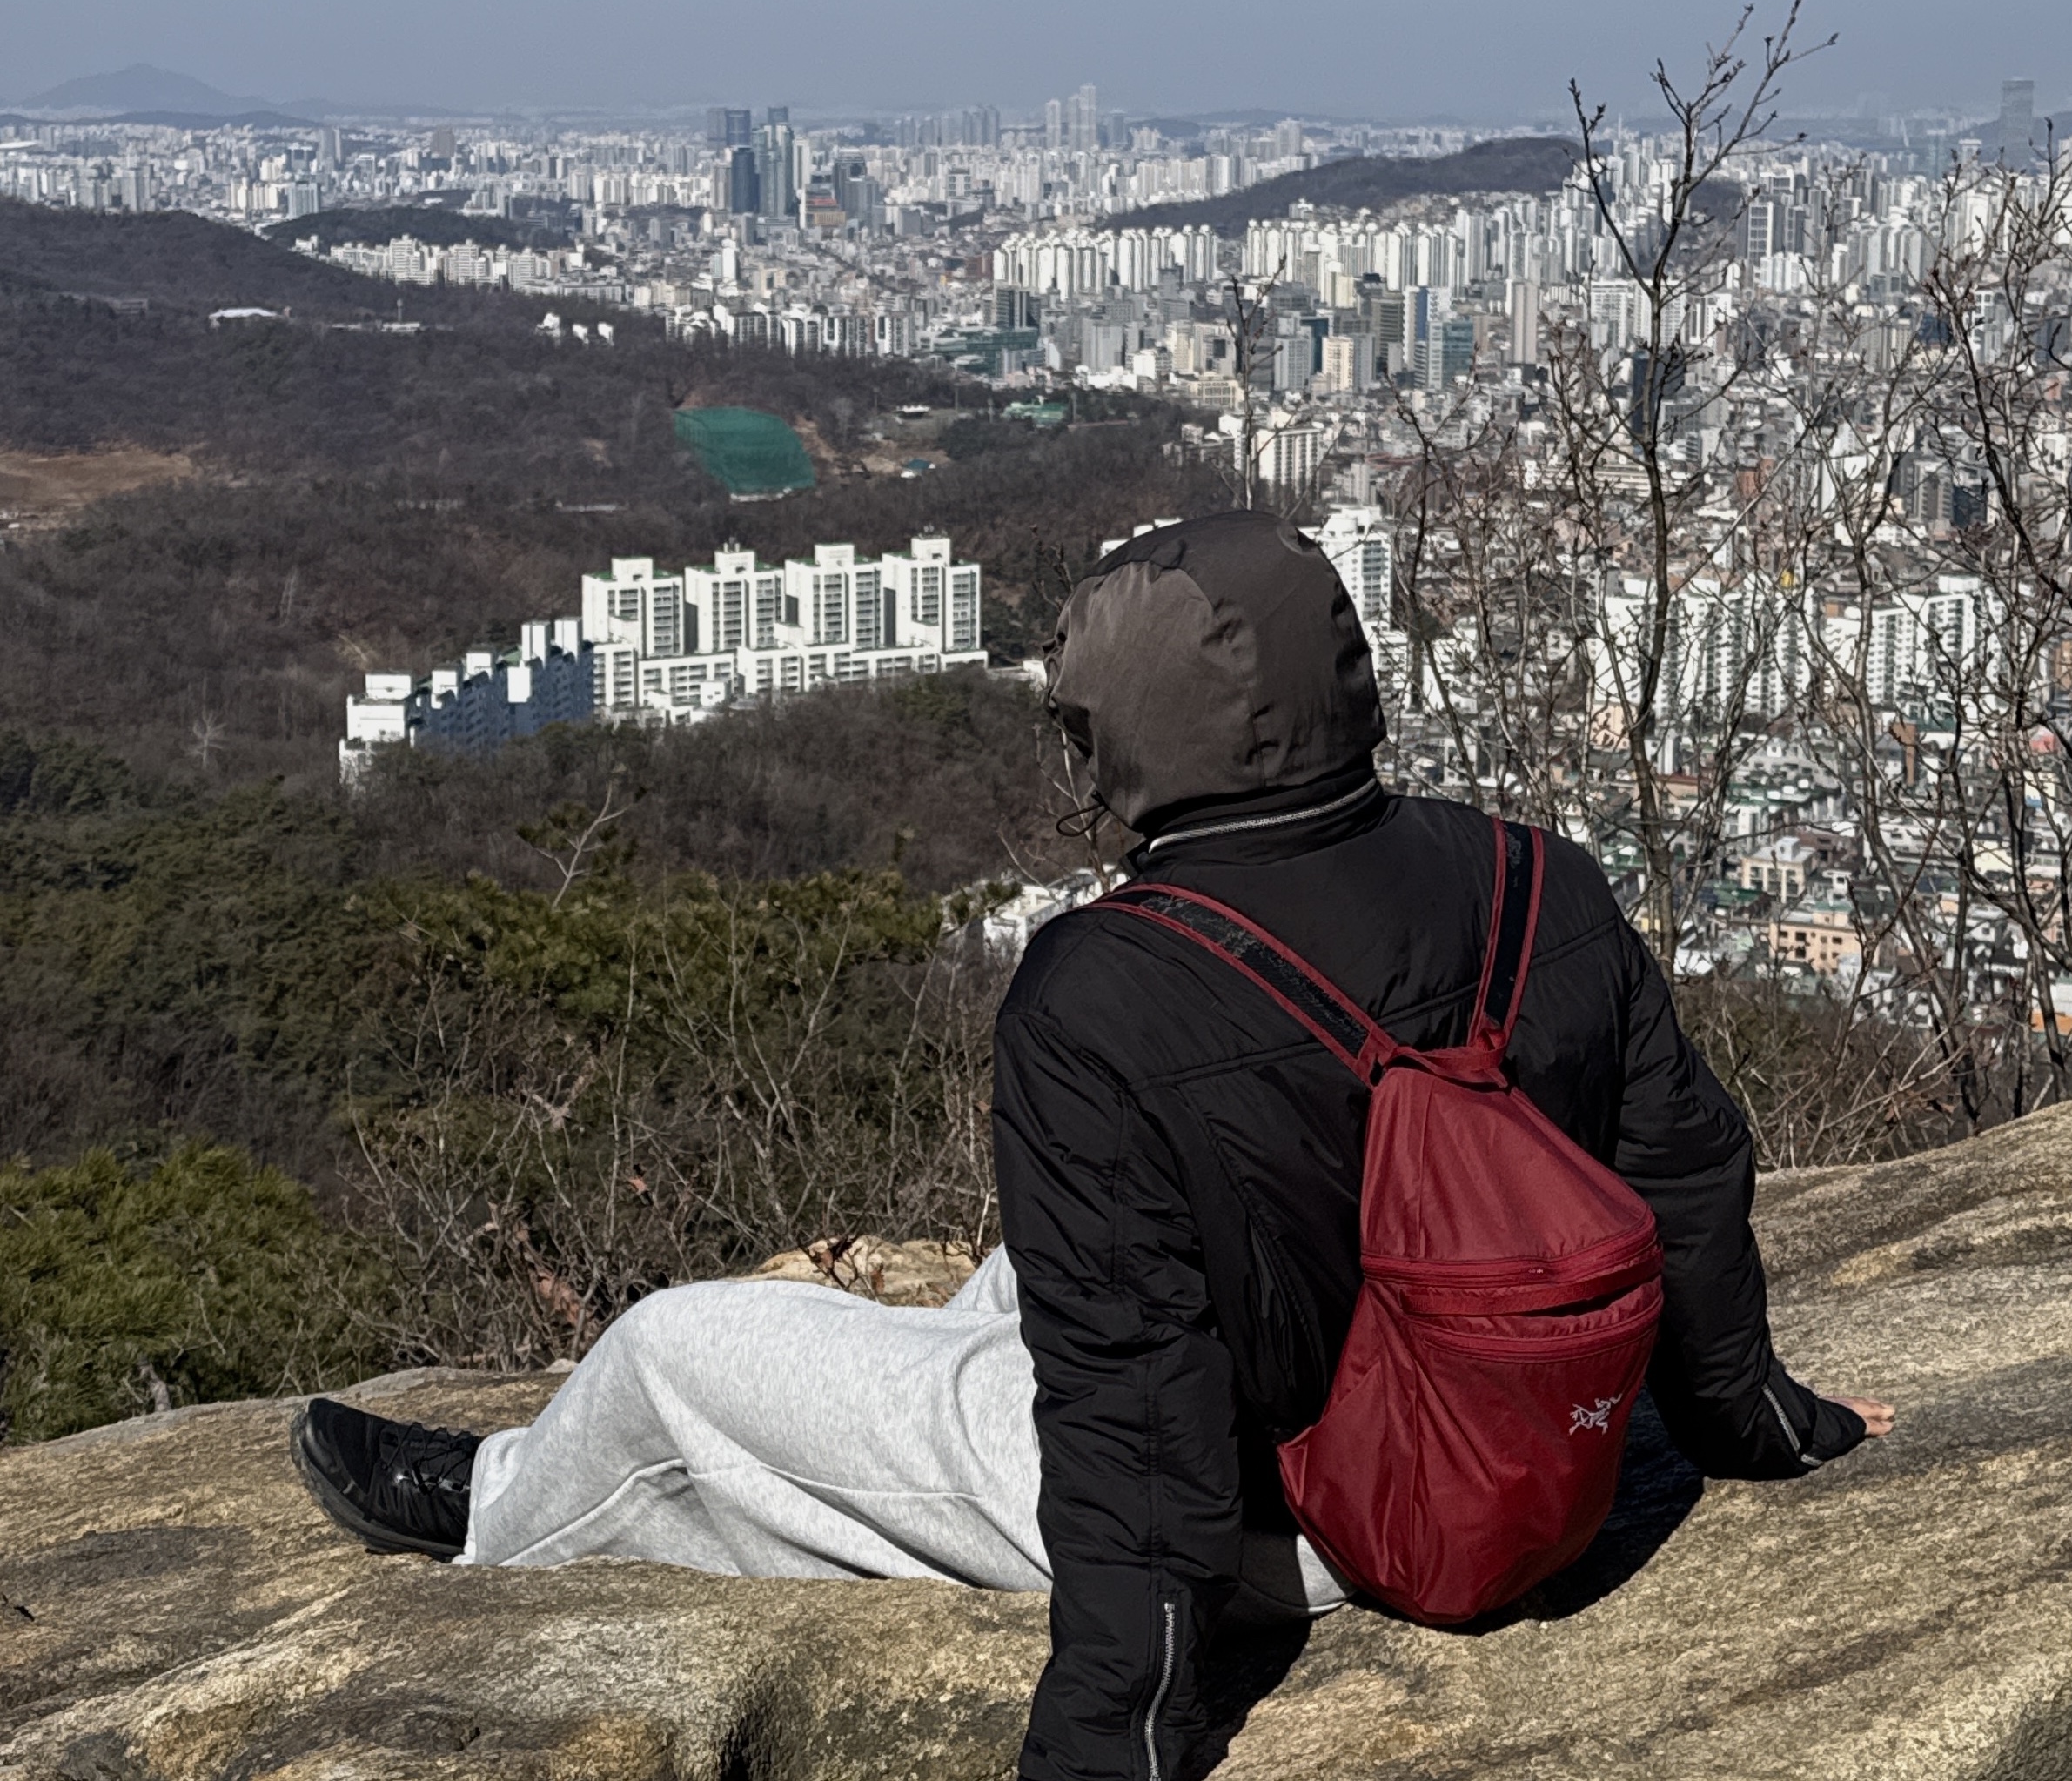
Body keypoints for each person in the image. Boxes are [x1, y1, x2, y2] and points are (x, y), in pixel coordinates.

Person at [292, 508, 1891, 1781]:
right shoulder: (1541, 877)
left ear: (1123, 739)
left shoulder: (1107, 987)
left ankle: (503, 1507)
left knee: (666, 1355)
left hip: (1312, 1527)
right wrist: (1760, 1424)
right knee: (1013, 1275)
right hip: (1547, 1448)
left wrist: (1115, 1741)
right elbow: (1683, 1179)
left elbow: (1136, 1419)